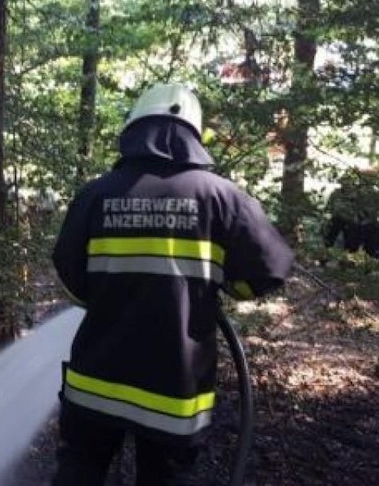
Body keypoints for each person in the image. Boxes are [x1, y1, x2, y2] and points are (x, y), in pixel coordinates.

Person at [51, 83, 293, 485]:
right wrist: (225, 289)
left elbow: (70, 276)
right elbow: (270, 269)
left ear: (133, 129)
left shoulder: (95, 195)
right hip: (173, 391)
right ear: (194, 137)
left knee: (80, 471)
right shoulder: (222, 199)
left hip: (95, 381)